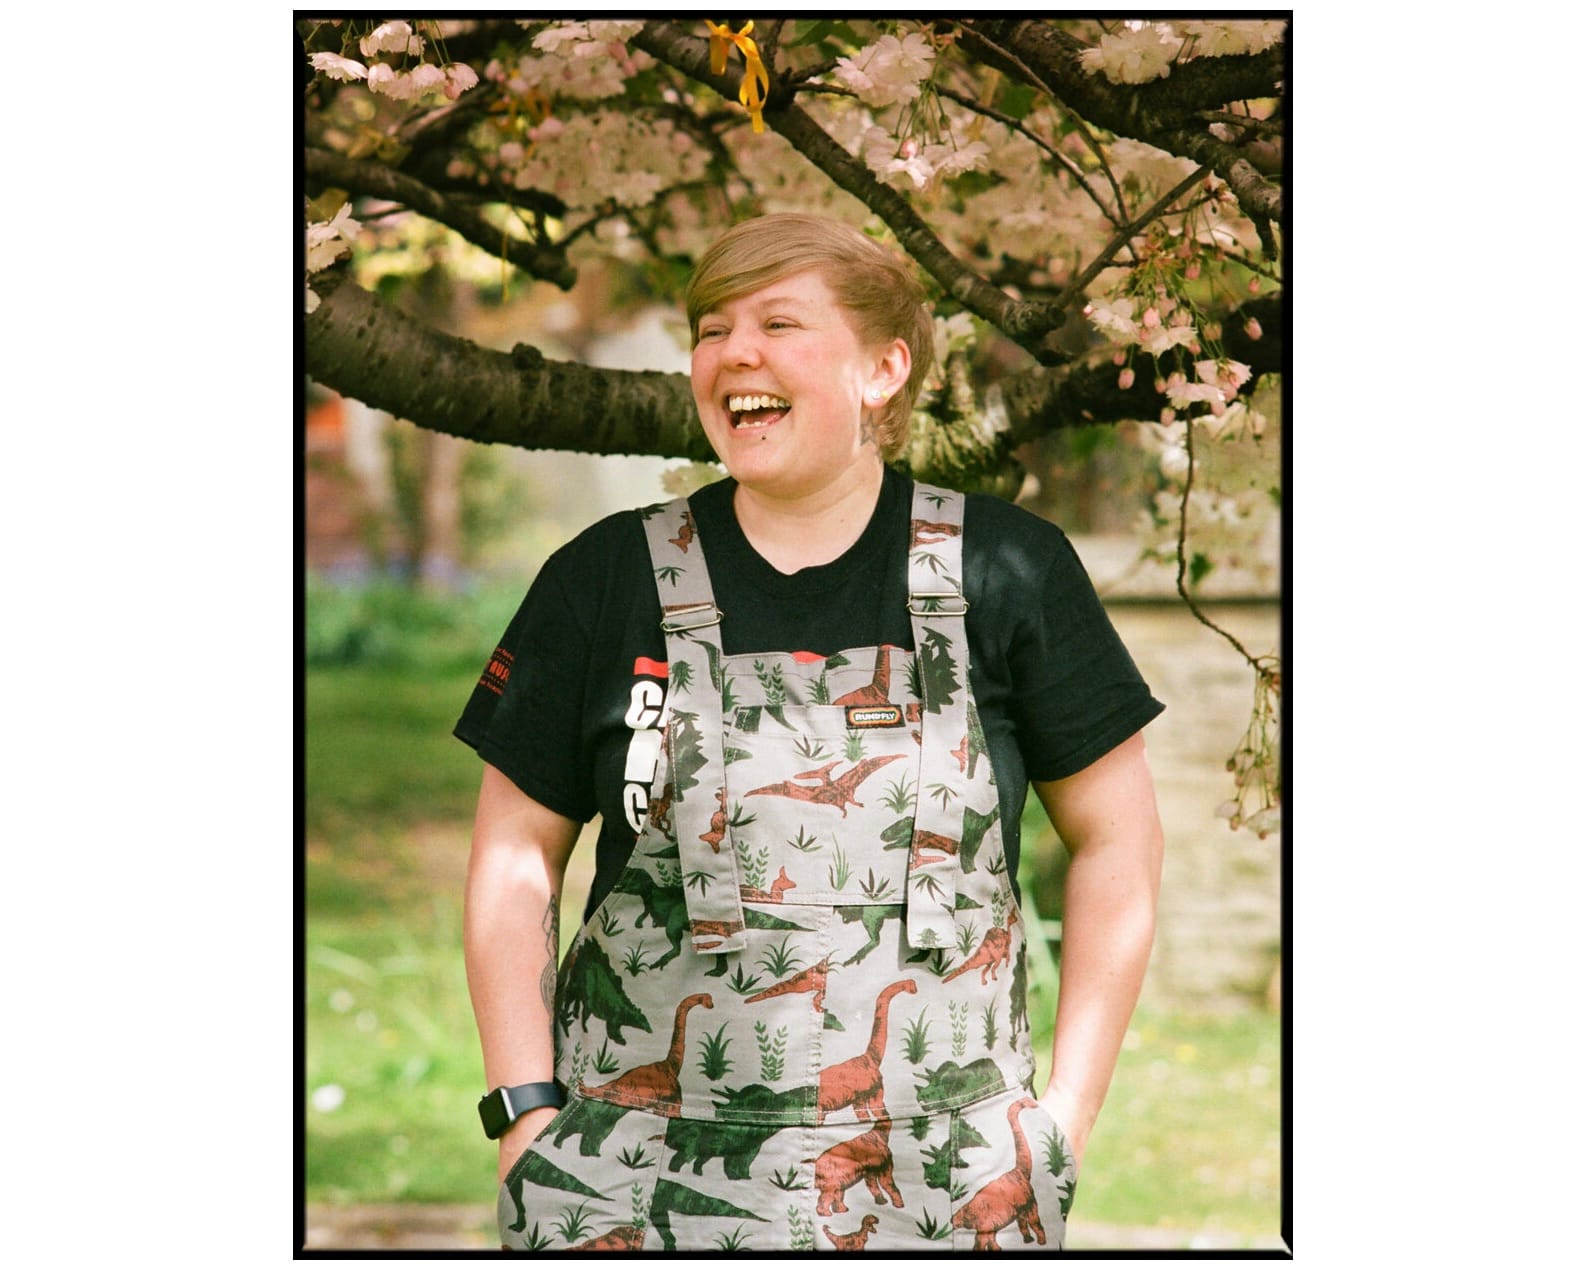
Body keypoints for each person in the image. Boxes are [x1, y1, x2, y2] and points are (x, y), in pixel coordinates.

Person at [456, 212, 1164, 1253]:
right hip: (631, 1193)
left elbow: (1122, 842)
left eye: (778, 322)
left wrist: (1062, 1118)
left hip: (948, 1190)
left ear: (882, 368)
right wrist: (527, 1118)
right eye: (711, 328)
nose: (734, 351)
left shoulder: (1008, 574)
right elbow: (515, 855)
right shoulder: (602, 580)